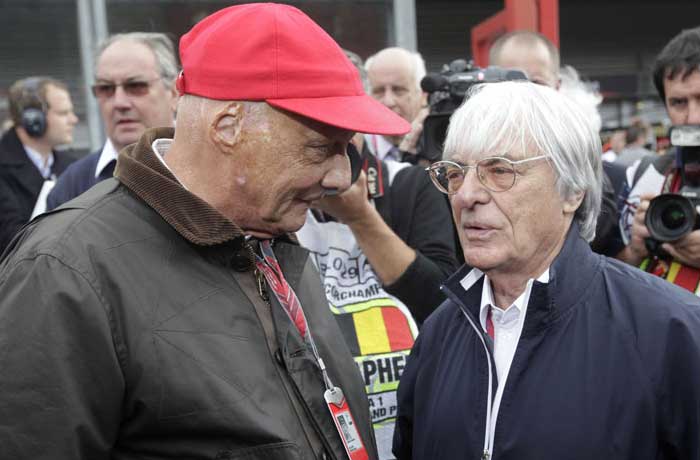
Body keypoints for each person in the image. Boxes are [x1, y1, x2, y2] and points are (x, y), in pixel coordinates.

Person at [0, 4, 413, 459]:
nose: (340, 177)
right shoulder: (65, 270)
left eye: (347, 150)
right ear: (227, 127)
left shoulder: (273, 236)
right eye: (320, 148)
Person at [392, 81, 700, 459]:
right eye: (455, 173)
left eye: (500, 170)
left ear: (572, 191)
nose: (467, 195)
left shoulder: (670, 330)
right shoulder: (439, 334)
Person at [297, 51, 458, 460]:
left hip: (408, 414)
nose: (334, 151)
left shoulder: (408, 186)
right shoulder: (281, 198)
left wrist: (362, 218)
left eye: (344, 129)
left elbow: (443, 301)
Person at [489, 30, 626, 258]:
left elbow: (597, 228)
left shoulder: (578, 150)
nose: (524, 93)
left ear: (557, 85)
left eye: (536, 82)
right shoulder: (466, 148)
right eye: (511, 81)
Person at [46, 32, 178, 210]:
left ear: (174, 93)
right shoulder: (72, 186)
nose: (119, 102)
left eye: (136, 86)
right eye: (106, 88)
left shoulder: (214, 169)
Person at [618, 26, 700, 292]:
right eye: (678, 103)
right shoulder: (645, 176)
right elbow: (606, 284)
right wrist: (634, 250)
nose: (693, 118)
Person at [0, 76, 78, 253]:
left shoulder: (72, 165)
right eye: (63, 113)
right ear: (33, 119)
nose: (73, 120)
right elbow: (12, 240)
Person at [365, 47, 427, 163]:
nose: (389, 102)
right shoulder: (355, 152)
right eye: (379, 91)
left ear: (422, 95)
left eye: (399, 90)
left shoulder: (440, 149)